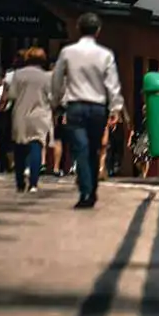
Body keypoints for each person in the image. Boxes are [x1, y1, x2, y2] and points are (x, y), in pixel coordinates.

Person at [52, 13, 124, 209]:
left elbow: (57, 80)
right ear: (98, 31)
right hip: (98, 108)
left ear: (78, 29)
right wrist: (115, 108)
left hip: (75, 106)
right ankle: (90, 189)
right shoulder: (105, 54)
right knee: (94, 149)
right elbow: (112, 84)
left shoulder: (67, 52)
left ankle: (86, 190)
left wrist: (56, 101)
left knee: (80, 148)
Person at [6, 48, 54, 194]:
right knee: (36, 146)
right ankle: (33, 183)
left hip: (21, 114)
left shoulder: (18, 74)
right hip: (40, 115)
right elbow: (52, 97)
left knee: (19, 148)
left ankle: (20, 182)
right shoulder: (47, 77)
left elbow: (12, 95)